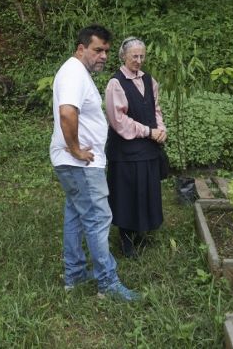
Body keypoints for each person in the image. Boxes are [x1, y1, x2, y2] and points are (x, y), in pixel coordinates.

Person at [50, 25, 140, 302]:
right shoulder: (74, 73)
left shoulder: (76, 73)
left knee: (76, 215)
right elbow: (67, 113)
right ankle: (108, 283)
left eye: (106, 51)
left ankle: (75, 275)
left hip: (75, 163)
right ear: (80, 48)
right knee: (99, 218)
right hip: (81, 165)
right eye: (97, 49)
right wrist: (76, 149)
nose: (103, 56)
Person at [105, 37, 166, 258]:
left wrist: (161, 129)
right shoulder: (116, 83)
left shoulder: (150, 81)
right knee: (127, 195)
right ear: (123, 56)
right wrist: (149, 131)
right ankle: (126, 240)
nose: (139, 61)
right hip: (125, 152)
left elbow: (156, 109)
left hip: (148, 149)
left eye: (142, 56)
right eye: (134, 56)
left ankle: (142, 234)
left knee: (146, 192)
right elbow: (118, 121)